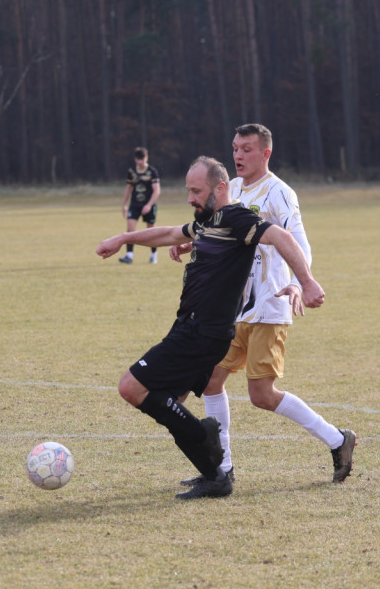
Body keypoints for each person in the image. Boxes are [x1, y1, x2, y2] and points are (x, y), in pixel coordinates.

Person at [96, 156, 325, 499]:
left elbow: (282, 237)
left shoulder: (236, 218)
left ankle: (208, 446)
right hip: (191, 328)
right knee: (170, 402)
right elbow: (170, 232)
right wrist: (121, 238)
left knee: (132, 387)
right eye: (188, 190)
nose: (190, 198)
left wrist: (305, 282)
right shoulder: (209, 220)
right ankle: (214, 473)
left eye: (195, 191)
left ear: (221, 188)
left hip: (202, 333)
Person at [171, 124, 355, 487]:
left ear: (266, 153)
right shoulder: (232, 189)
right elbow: (219, 229)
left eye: (247, 149)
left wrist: (300, 282)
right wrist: (189, 244)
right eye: (236, 148)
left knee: (262, 395)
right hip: (233, 306)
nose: (238, 155)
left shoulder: (280, 193)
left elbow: (297, 242)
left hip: (269, 307)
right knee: (210, 381)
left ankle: (338, 440)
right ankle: (220, 468)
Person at [118, 147, 161, 264]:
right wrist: (124, 205)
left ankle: (153, 255)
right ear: (135, 159)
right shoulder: (132, 171)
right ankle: (129, 256)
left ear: (146, 158)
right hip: (135, 205)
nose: (140, 162)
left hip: (149, 205)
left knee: (151, 231)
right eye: (138, 159)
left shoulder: (152, 171)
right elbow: (128, 188)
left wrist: (149, 205)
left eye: (142, 159)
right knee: (130, 230)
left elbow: (157, 191)